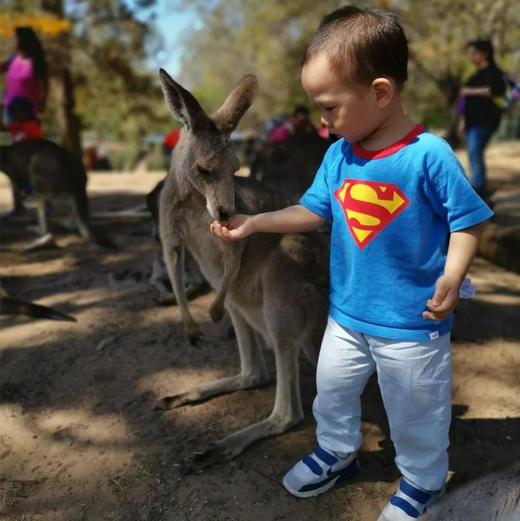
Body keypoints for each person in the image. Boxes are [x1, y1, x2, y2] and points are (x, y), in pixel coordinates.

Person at [210, 6, 493, 521]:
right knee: (332, 391)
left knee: (416, 412)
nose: (322, 121)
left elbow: (468, 221)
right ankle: (337, 452)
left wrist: (452, 275)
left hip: (412, 323)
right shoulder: (340, 154)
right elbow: (313, 210)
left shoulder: (429, 156)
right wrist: (255, 223)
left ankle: (423, 481)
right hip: (347, 314)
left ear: (380, 93)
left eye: (330, 107)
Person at [458, 39, 506, 197]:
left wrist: (468, 91)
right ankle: (480, 188)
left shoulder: (493, 73)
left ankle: (478, 189)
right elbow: (465, 103)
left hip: (486, 121)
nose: (470, 57)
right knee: (474, 153)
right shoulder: (475, 75)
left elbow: (494, 91)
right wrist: (462, 121)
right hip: (472, 122)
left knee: (475, 151)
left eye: (473, 53)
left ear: (484, 54)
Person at [1, 26, 48, 125]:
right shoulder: (13, 58)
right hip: (10, 110)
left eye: (14, 38)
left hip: (29, 113)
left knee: (27, 140)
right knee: (12, 139)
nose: (12, 41)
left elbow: (44, 90)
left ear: (22, 41)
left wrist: (40, 112)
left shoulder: (36, 62)